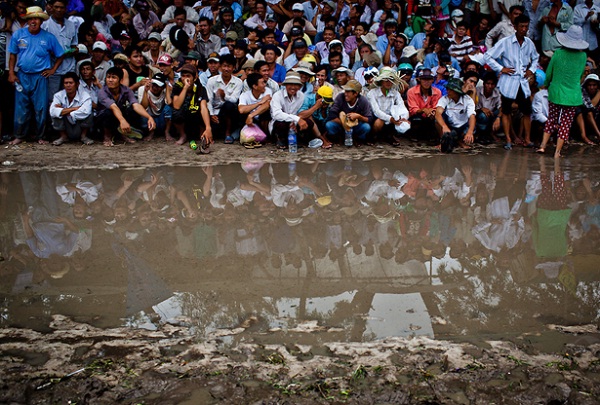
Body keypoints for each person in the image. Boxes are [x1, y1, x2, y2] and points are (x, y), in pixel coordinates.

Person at [8, 6, 65, 145]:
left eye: (36, 19)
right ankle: (19, 135)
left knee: (41, 108)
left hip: (40, 76)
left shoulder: (48, 37)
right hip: (22, 76)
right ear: (27, 21)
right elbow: (12, 55)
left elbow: (60, 55)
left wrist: (52, 70)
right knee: (21, 108)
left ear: (41, 21)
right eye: (31, 19)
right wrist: (11, 73)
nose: (34, 21)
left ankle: (41, 136)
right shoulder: (18, 35)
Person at [484, 14, 539, 150]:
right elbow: (488, 56)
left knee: (527, 111)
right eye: (521, 26)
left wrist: (531, 70)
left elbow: (536, 58)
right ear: (515, 27)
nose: (524, 29)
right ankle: (508, 139)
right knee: (506, 111)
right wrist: (501, 68)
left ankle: (527, 139)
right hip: (508, 82)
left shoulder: (529, 43)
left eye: (526, 26)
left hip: (523, 81)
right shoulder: (506, 42)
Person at [537, 26, 589, 158]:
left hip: (556, 92)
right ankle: (557, 152)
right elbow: (579, 76)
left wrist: (547, 85)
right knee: (565, 124)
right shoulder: (583, 56)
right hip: (572, 95)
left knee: (551, 120)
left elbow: (549, 73)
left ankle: (543, 146)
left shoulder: (558, 53)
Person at [96, 67, 156, 147]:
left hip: (118, 115)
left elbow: (136, 105)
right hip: (102, 119)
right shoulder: (102, 92)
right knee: (108, 112)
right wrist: (122, 121)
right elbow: (113, 107)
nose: (110, 80)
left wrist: (149, 117)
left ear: (120, 80)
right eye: (108, 77)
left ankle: (123, 134)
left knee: (131, 110)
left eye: (113, 77)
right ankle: (107, 136)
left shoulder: (126, 90)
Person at [42, 0, 78, 103]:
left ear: (65, 8)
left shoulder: (71, 25)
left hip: (69, 67)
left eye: (61, 7)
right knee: (52, 99)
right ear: (51, 7)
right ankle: (52, 119)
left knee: (69, 97)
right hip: (53, 69)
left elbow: (74, 45)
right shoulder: (46, 25)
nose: (59, 10)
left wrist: (74, 50)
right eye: (56, 7)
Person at [171, 63, 212, 147]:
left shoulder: (200, 88)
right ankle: (183, 135)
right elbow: (176, 105)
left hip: (195, 114)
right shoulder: (177, 87)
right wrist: (185, 88)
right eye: (183, 76)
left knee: (205, 112)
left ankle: (203, 135)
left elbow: (203, 107)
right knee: (176, 112)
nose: (185, 78)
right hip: (184, 115)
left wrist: (208, 127)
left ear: (194, 78)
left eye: (188, 76)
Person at [206, 54, 243, 144]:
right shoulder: (212, 81)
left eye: (229, 66)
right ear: (220, 67)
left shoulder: (238, 82)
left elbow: (234, 99)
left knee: (229, 105)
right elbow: (209, 99)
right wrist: (211, 114)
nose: (226, 69)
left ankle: (228, 133)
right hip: (215, 112)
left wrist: (224, 96)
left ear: (233, 68)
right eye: (224, 66)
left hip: (229, 112)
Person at [367, 68, 410, 146]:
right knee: (379, 123)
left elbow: (402, 108)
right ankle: (373, 136)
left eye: (391, 80)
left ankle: (389, 136)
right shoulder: (372, 93)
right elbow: (376, 111)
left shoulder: (396, 93)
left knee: (403, 122)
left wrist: (404, 118)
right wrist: (391, 119)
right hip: (376, 118)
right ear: (381, 81)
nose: (388, 82)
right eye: (386, 80)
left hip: (391, 119)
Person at [49, 72, 93, 145]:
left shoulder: (85, 95)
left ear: (77, 84)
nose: (68, 85)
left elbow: (86, 112)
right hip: (66, 125)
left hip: (79, 125)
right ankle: (63, 136)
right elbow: (52, 111)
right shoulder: (58, 95)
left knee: (90, 114)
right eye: (66, 83)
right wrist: (74, 109)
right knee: (55, 115)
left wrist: (63, 110)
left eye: (71, 83)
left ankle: (83, 136)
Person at [270, 71, 311, 149]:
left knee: (309, 122)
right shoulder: (277, 95)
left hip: (293, 125)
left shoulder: (301, 96)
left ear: (299, 86)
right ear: (285, 85)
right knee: (281, 123)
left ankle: (299, 140)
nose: (293, 87)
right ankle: (280, 140)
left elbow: (299, 112)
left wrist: (295, 122)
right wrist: (296, 119)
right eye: (290, 84)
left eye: (296, 85)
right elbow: (277, 114)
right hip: (280, 125)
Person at [326, 79, 373, 146]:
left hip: (356, 126)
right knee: (329, 125)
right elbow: (331, 114)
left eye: (348, 92)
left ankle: (358, 139)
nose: (345, 94)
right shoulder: (340, 97)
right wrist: (345, 123)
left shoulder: (363, 100)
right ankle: (339, 139)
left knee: (366, 127)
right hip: (341, 125)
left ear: (355, 93)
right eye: (345, 91)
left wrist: (359, 116)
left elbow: (370, 119)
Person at [435, 78, 476, 153]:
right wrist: (444, 126)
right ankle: (443, 141)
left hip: (463, 125)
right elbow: (438, 113)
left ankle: (460, 141)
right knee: (437, 121)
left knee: (472, 129)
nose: (448, 91)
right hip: (450, 125)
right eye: (447, 89)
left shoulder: (468, 100)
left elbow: (472, 116)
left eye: (451, 90)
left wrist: (470, 131)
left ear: (457, 91)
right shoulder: (444, 98)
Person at [406, 68, 442, 141]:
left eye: (429, 79)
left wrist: (432, 111)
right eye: (424, 79)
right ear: (419, 79)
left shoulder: (437, 92)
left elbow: (437, 107)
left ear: (432, 80)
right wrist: (423, 110)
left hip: (431, 116)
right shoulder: (411, 91)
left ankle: (433, 136)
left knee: (436, 118)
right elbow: (413, 110)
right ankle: (414, 135)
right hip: (417, 117)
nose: (426, 82)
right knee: (417, 119)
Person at [238, 72, 272, 146]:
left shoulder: (267, 91)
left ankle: (266, 136)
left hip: (260, 119)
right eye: (262, 83)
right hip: (250, 122)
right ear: (255, 86)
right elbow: (241, 110)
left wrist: (251, 115)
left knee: (266, 113)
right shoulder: (245, 95)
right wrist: (259, 103)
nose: (265, 85)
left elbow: (267, 105)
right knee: (242, 114)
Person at [139, 73, 172, 141]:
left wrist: (167, 88)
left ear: (163, 87)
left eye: (158, 86)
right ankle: (151, 132)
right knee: (142, 112)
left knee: (168, 108)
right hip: (149, 118)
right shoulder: (142, 89)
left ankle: (167, 131)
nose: (155, 87)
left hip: (161, 119)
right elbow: (143, 106)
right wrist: (145, 91)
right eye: (153, 84)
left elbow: (169, 102)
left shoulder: (165, 90)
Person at [475, 71, 502, 144]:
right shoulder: (477, 91)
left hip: (491, 115)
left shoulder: (497, 92)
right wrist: (481, 109)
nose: (490, 86)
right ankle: (481, 134)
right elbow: (472, 106)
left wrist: (498, 118)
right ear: (484, 84)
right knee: (483, 116)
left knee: (502, 115)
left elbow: (500, 107)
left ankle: (491, 133)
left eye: (492, 84)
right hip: (478, 115)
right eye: (488, 84)